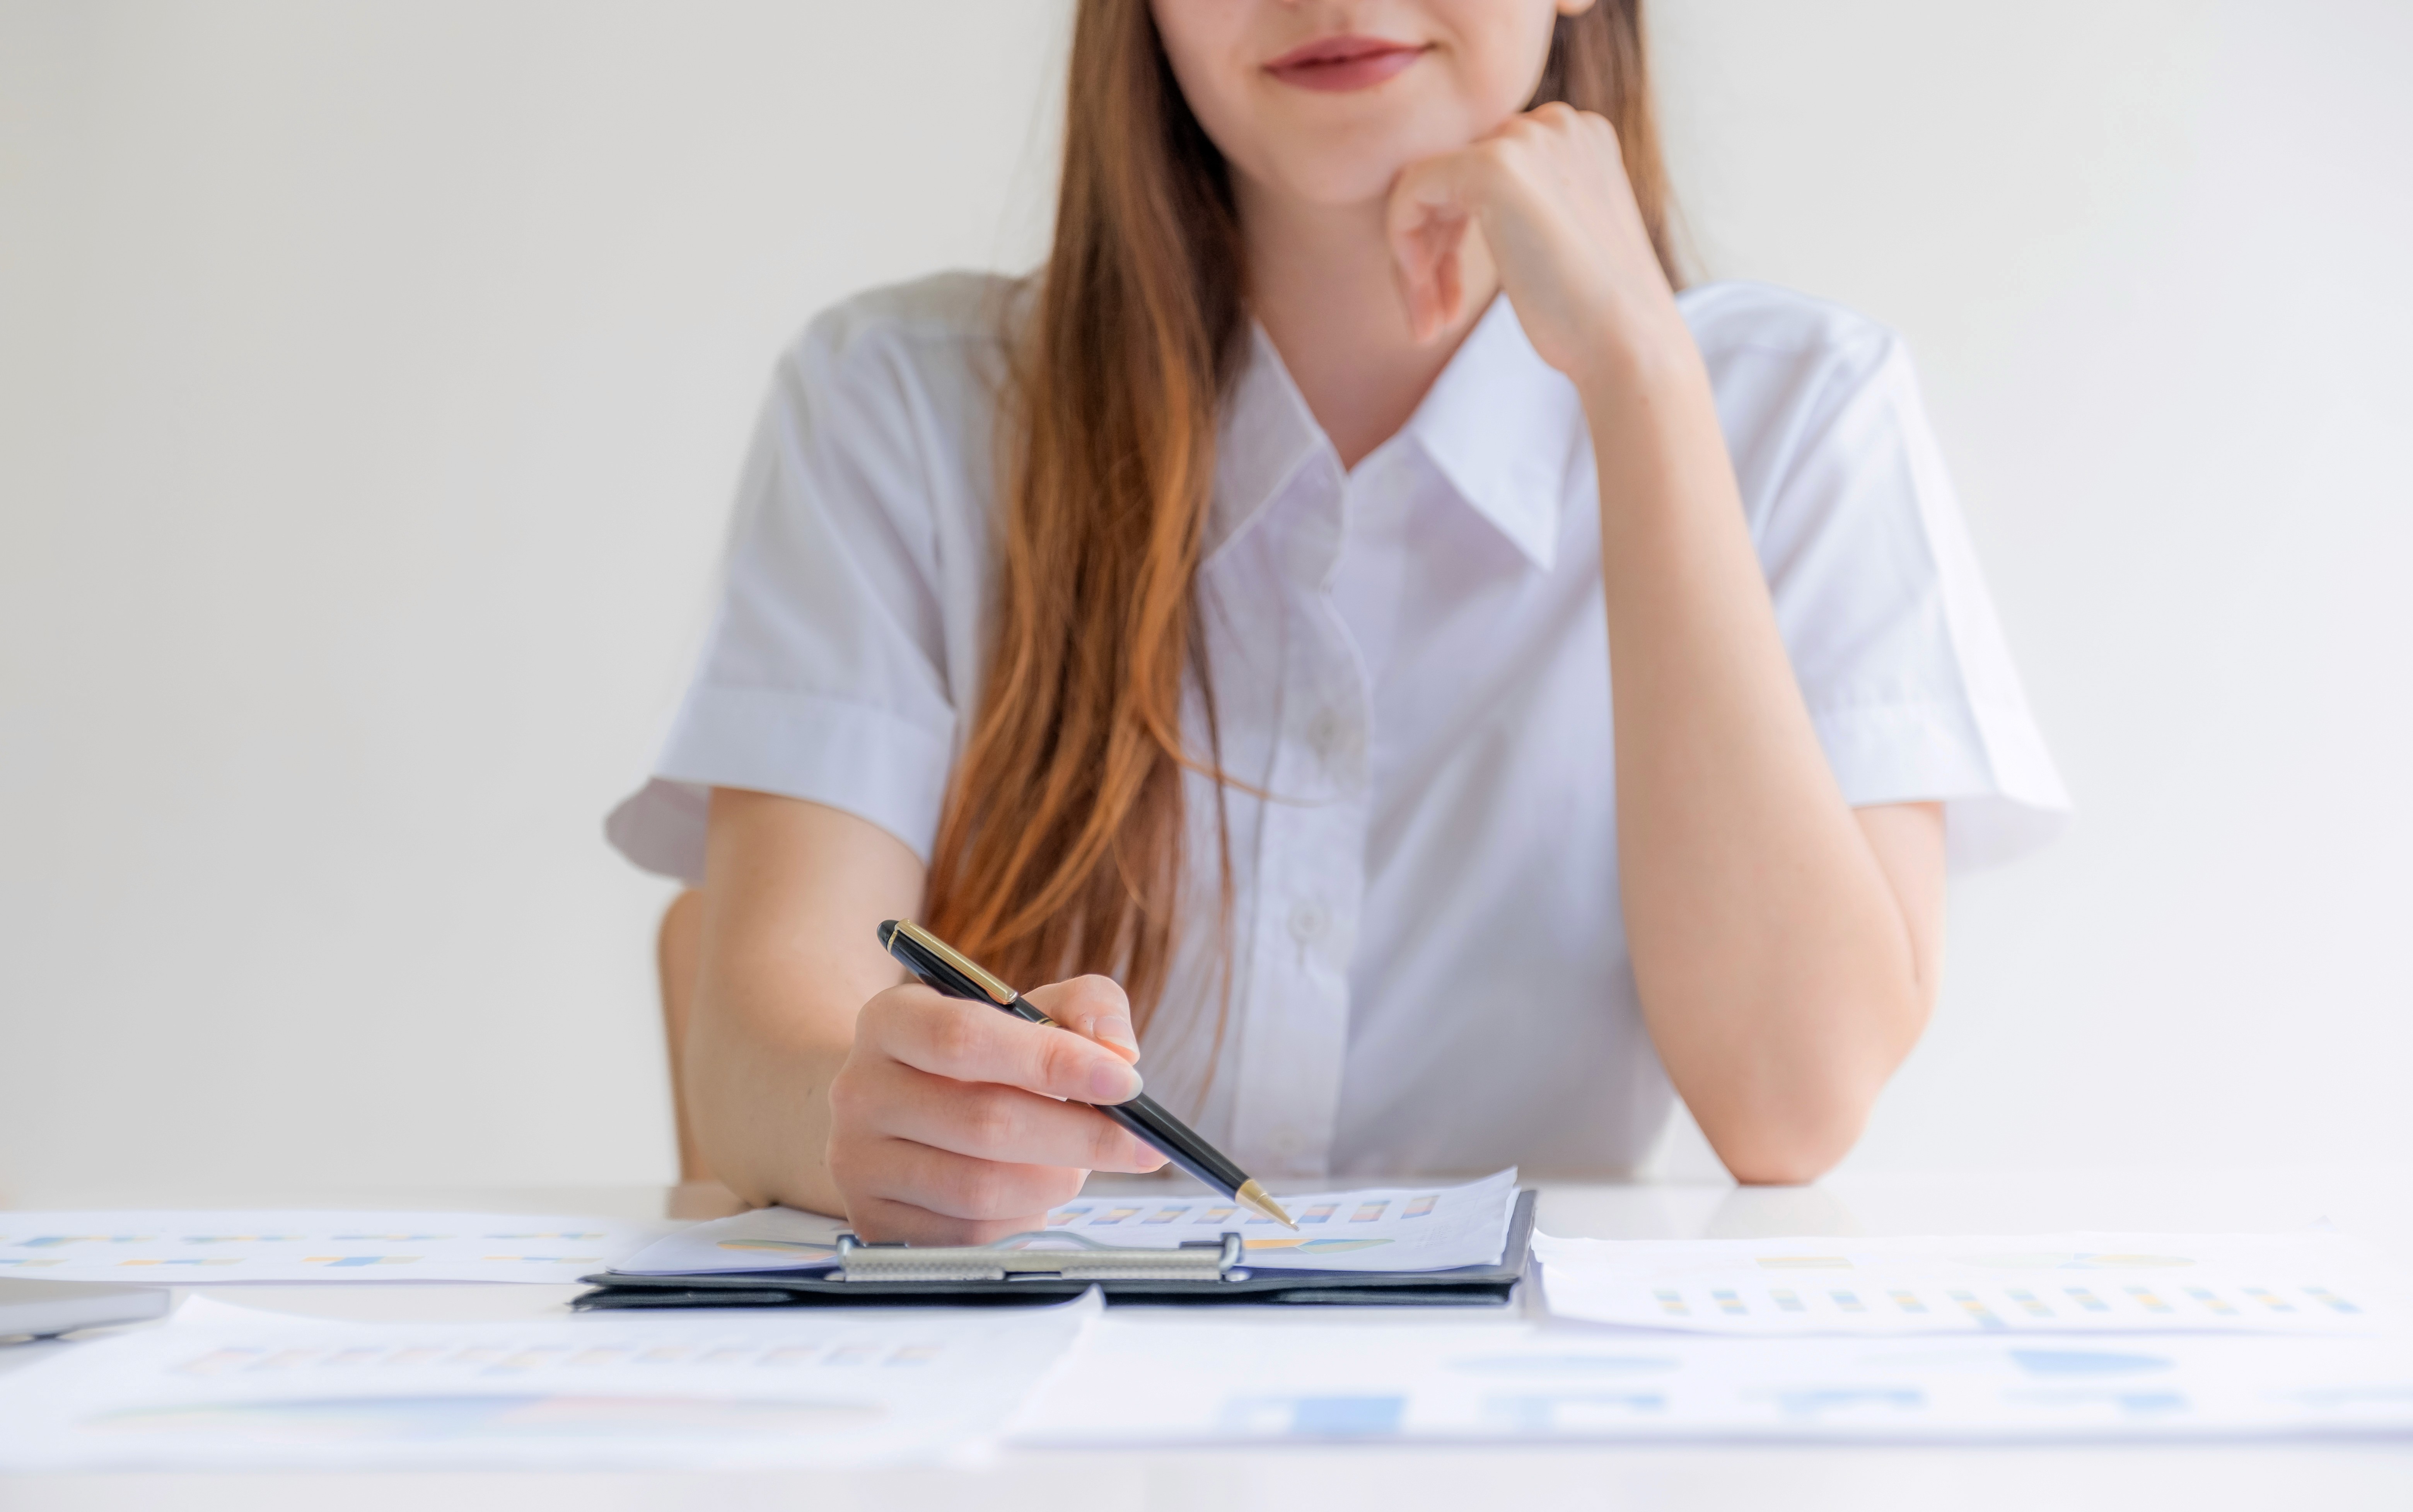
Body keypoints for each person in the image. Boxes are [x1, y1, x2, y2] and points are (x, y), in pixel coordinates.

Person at [607, 0, 2068, 1242]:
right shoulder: (901, 407)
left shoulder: (1800, 411)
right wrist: (862, 1111)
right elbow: (754, 1027)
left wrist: (1640, 374)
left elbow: (1793, 1101)